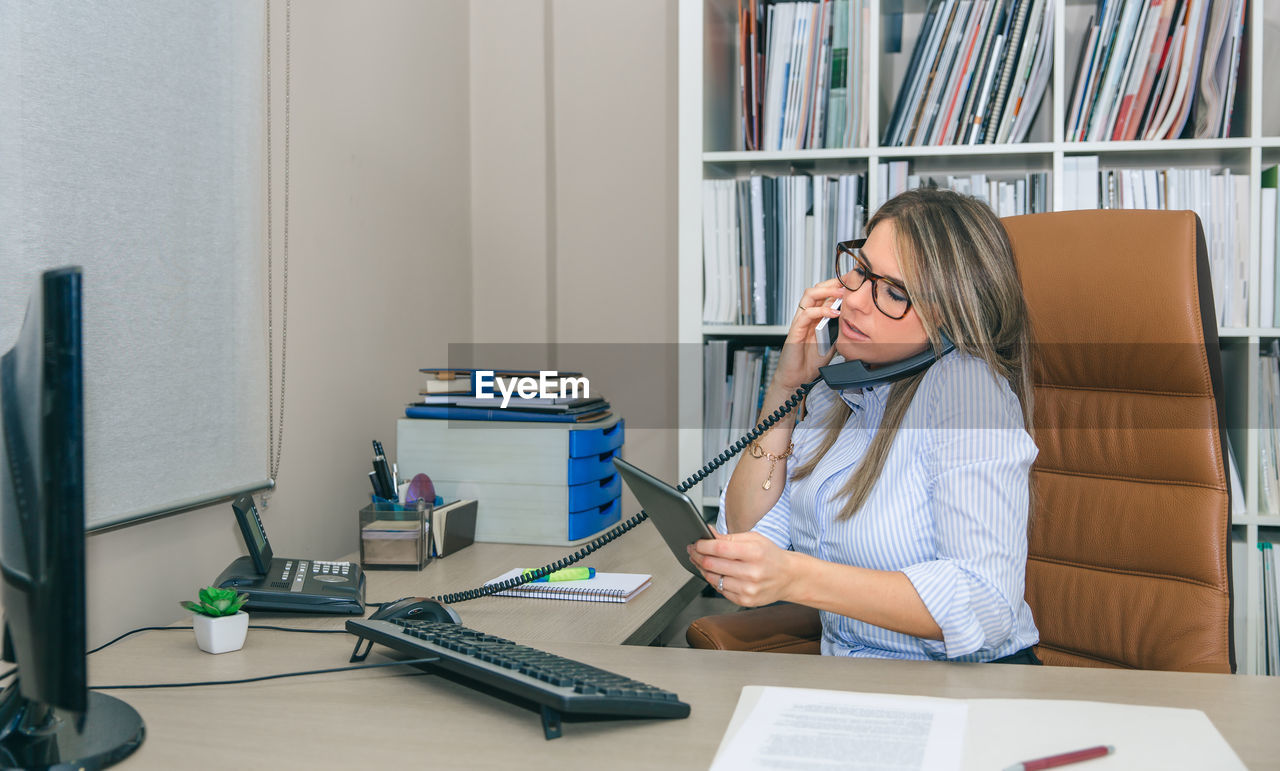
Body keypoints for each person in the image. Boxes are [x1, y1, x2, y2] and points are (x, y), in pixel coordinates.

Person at [688, 187, 1040, 663]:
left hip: (963, 690)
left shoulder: (967, 390)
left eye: (894, 292)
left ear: (954, 317)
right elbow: (744, 537)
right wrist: (784, 394)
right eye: (861, 270)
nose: (854, 301)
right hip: (855, 681)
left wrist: (796, 577)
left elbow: (985, 600)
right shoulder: (842, 385)